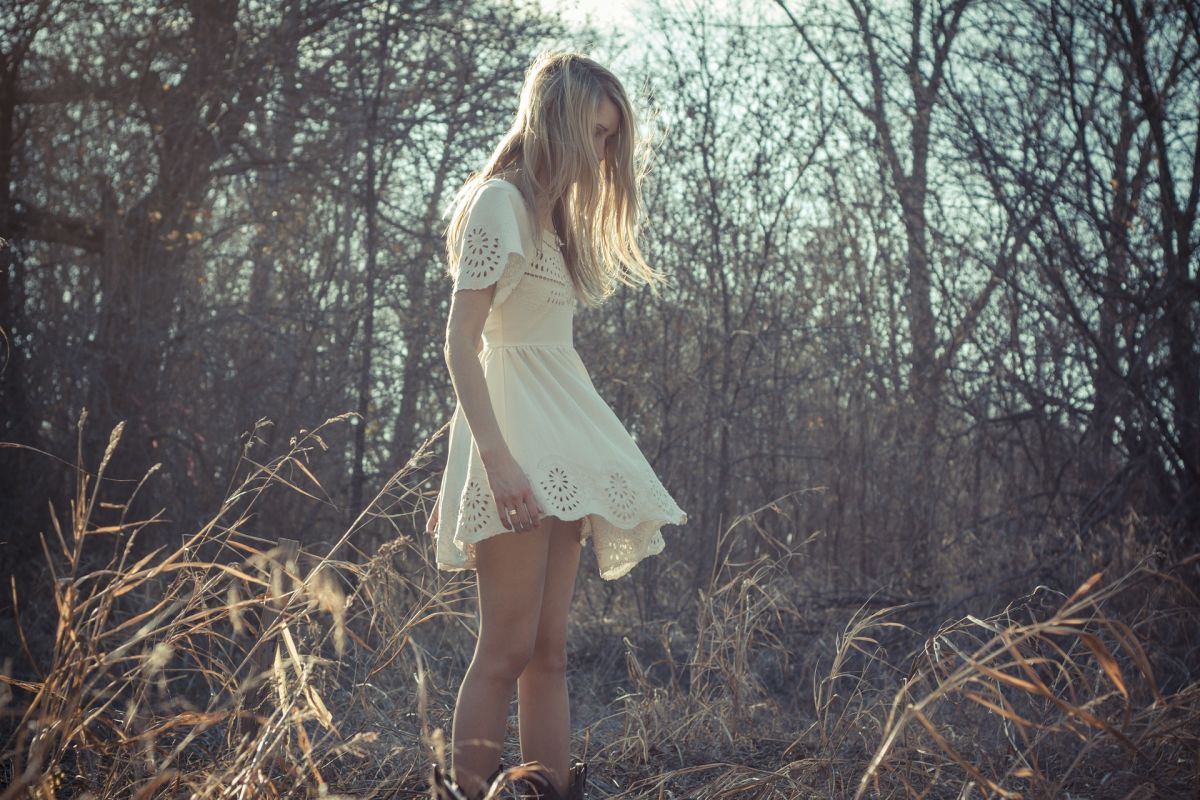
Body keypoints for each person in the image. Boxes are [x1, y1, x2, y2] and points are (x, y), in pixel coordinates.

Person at [425, 50, 687, 800]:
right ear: (557, 123)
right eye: (594, 135)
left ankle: (550, 793)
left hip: (563, 440)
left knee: (549, 653)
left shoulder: (553, 219)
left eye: (611, 139)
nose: (602, 155)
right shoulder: (498, 203)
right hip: (516, 446)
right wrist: (491, 462)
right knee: (503, 650)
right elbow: (462, 343)